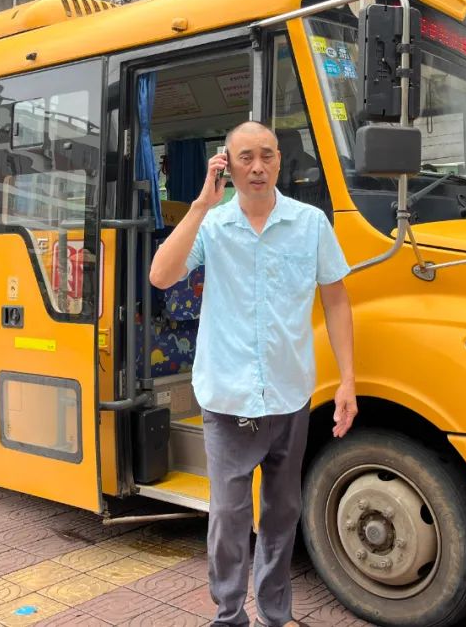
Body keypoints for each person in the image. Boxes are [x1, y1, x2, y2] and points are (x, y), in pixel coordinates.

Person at [150, 121, 357, 627]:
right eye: (245, 157)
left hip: (290, 397)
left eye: (266, 155)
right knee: (228, 517)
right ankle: (228, 614)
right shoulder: (214, 227)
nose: (257, 166)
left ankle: (275, 612)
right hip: (228, 400)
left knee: (283, 514)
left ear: (281, 161)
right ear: (227, 164)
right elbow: (161, 274)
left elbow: (336, 300)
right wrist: (200, 204)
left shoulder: (311, 224)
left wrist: (348, 380)